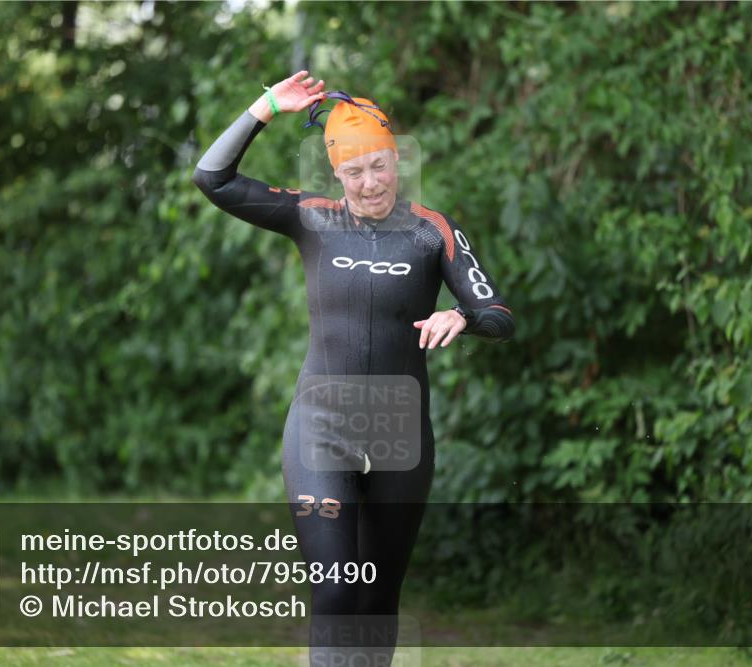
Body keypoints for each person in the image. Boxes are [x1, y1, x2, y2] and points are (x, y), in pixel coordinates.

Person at [192, 70, 514, 666]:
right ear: (335, 174)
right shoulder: (311, 218)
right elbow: (212, 177)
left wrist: (464, 320)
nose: (371, 184)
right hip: (322, 428)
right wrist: (265, 106)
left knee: (377, 598)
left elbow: (496, 311)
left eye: (381, 166)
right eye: (354, 171)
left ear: (397, 161)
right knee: (338, 590)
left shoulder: (430, 231)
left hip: (400, 435)